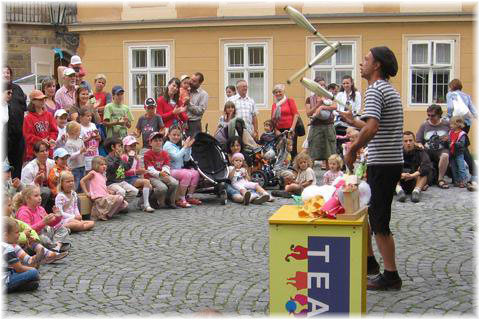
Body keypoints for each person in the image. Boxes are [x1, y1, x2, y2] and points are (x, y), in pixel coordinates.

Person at [340, 46, 403, 290]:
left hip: (383, 164)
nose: (361, 64)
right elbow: (372, 125)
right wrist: (352, 121)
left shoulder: (376, 90)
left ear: (377, 65)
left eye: (366, 60)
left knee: (379, 221)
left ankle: (391, 275)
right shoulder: (387, 89)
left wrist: (353, 149)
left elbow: (373, 128)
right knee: (368, 213)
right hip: (387, 162)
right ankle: (370, 263)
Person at [14, 185, 69, 252]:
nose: (40, 198)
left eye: (40, 195)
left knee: (63, 229)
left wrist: (58, 217)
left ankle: (56, 246)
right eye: (36, 196)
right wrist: (43, 222)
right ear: (28, 199)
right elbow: (28, 231)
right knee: (43, 239)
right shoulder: (23, 212)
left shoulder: (40, 209)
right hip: (33, 238)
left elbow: (51, 224)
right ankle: (56, 246)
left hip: (45, 233)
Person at [446, 78, 476, 183]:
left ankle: (469, 173)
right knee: (463, 147)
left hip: (455, 123)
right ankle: (469, 172)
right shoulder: (466, 95)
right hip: (466, 124)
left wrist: (449, 118)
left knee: (459, 147)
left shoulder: (450, 94)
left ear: (452, 86)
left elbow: (450, 108)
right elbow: (472, 109)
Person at [163, 126, 202, 208]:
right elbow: (176, 157)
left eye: (178, 135)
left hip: (178, 170)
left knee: (196, 173)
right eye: (174, 135)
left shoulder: (176, 146)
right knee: (186, 174)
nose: (176, 137)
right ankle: (181, 199)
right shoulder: (167, 145)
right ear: (169, 135)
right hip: (170, 170)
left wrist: (188, 147)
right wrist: (184, 146)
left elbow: (186, 159)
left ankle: (189, 196)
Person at [80, 156, 127, 221]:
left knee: (124, 204)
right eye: (101, 164)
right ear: (96, 165)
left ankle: (106, 214)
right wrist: (86, 192)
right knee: (120, 198)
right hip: (99, 198)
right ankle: (106, 214)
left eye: (105, 164)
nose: (104, 166)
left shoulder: (103, 175)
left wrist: (108, 191)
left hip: (105, 195)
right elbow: (82, 181)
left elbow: (102, 186)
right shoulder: (93, 173)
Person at [415, 104, 451, 189]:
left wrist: (449, 139)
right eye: (428, 115)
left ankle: (440, 179)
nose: (430, 117)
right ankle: (424, 182)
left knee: (445, 155)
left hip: (441, 149)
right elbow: (418, 140)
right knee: (422, 158)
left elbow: (453, 135)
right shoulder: (424, 125)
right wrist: (420, 145)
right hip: (427, 150)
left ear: (439, 114)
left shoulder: (446, 123)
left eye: (433, 115)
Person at [305, 77, 337, 169]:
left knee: (330, 154)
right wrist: (318, 105)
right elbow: (308, 113)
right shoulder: (309, 99)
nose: (322, 86)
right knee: (312, 154)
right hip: (316, 127)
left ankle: (331, 176)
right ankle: (310, 176)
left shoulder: (329, 96)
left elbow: (335, 106)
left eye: (323, 84)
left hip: (328, 126)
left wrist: (323, 107)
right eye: (320, 84)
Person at [3, 217, 40, 293]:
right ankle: (15, 287)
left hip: (8, 273)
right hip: (5, 281)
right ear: (6, 235)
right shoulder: (8, 248)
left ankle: (23, 285)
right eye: (17, 232)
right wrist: (33, 270)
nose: (19, 234)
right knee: (33, 273)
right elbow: (19, 269)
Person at [143, 132, 179, 209]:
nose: (158, 142)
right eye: (155, 141)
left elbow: (166, 166)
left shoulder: (165, 153)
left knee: (174, 183)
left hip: (162, 174)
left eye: (160, 140)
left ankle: (168, 200)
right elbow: (150, 170)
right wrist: (160, 174)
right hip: (151, 177)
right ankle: (152, 198)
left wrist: (165, 173)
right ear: (150, 143)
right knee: (163, 188)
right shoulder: (147, 155)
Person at [396, 131, 433, 203]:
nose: (408, 143)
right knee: (389, 171)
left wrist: (413, 175)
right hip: (400, 180)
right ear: (402, 142)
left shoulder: (420, 151)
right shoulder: (397, 152)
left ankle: (416, 192)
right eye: (405, 141)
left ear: (414, 141)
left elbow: (427, 166)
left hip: (415, 181)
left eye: (410, 140)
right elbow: (391, 167)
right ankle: (399, 192)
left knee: (424, 172)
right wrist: (400, 174)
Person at [121, 136, 155, 212]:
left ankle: (141, 203)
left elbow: (138, 170)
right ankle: (146, 205)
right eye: (131, 146)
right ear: (125, 147)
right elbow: (122, 172)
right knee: (146, 182)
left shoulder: (136, 157)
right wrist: (136, 172)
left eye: (134, 145)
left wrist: (143, 171)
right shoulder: (124, 157)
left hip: (134, 178)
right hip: (126, 179)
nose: (133, 147)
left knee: (149, 186)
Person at [23, 89, 58, 161]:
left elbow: (54, 131)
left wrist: (52, 139)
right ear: (33, 101)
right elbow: (28, 136)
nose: (42, 101)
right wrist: (41, 140)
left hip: (47, 152)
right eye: (40, 99)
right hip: (34, 153)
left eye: (43, 99)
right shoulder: (28, 118)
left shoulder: (48, 115)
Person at [5, 66, 27, 180]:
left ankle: (16, 190)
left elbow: (23, 107)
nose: (6, 75)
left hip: (17, 135)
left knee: (17, 166)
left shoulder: (17, 88)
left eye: (8, 72)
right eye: (3, 72)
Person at [20, 141, 56, 211]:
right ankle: (37, 211)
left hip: (50, 189)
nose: (45, 153)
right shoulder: (28, 168)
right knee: (46, 191)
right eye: (42, 151)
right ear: (35, 153)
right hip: (32, 192)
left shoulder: (52, 163)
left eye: (46, 150)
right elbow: (24, 188)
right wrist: (35, 181)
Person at [104, 137, 139, 206]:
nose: (121, 148)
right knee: (121, 191)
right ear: (112, 147)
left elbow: (126, 167)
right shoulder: (107, 159)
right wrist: (117, 158)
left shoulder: (119, 157)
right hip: (111, 183)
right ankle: (117, 207)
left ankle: (120, 206)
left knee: (134, 191)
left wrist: (131, 157)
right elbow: (113, 169)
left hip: (121, 181)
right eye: (119, 146)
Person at [271, 83, 299, 158]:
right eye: (276, 92)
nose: (278, 93)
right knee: (280, 150)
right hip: (279, 131)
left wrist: (292, 128)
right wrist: (276, 130)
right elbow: (272, 120)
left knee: (291, 150)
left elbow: (296, 115)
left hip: (290, 130)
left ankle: (292, 168)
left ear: (283, 92)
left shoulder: (290, 101)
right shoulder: (274, 105)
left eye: (279, 91)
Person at [135, 98, 165, 164]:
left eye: (153, 108)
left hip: (156, 146)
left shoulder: (158, 117)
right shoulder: (141, 119)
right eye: (149, 108)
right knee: (141, 162)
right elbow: (138, 132)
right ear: (145, 108)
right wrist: (135, 134)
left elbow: (162, 129)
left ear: (155, 107)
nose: (151, 110)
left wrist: (160, 134)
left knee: (157, 163)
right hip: (145, 146)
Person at [64, 121, 89, 192]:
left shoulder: (80, 140)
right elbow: (70, 156)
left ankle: (81, 200)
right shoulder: (69, 143)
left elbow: (83, 151)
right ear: (73, 132)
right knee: (75, 185)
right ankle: (74, 198)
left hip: (82, 165)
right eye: (79, 131)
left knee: (82, 184)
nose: (80, 133)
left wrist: (86, 151)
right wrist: (80, 151)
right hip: (74, 167)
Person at [185, 72, 208, 138]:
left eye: (194, 81)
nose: (191, 82)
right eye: (191, 79)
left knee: (194, 144)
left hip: (194, 124)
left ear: (200, 83)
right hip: (182, 122)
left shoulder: (203, 94)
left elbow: (200, 111)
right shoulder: (185, 90)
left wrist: (189, 104)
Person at [449, 116, 469, 188]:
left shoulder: (462, 134)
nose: (450, 125)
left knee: (461, 168)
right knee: (454, 168)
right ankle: (456, 181)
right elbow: (449, 140)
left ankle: (464, 181)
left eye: (452, 124)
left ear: (457, 124)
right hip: (452, 153)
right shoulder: (451, 132)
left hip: (459, 153)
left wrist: (454, 143)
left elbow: (462, 144)